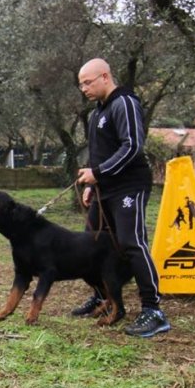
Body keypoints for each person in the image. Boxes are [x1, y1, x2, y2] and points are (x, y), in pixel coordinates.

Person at [73, 58, 171, 338]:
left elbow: (133, 147)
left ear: (105, 76)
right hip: (105, 188)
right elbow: (99, 153)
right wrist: (94, 183)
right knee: (91, 244)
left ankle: (153, 311)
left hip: (129, 187)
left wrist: (98, 172)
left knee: (131, 243)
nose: (84, 89)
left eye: (88, 82)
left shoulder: (124, 103)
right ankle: (105, 298)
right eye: (81, 84)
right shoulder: (97, 112)